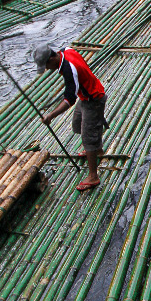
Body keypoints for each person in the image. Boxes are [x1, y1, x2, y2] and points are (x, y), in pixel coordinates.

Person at [34, 43, 107, 192]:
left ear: (51, 59)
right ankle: (96, 149)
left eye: (47, 66)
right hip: (85, 96)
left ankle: (93, 176)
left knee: (88, 137)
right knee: (77, 124)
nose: (48, 70)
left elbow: (69, 99)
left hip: (93, 99)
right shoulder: (66, 50)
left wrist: (51, 115)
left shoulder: (68, 69)